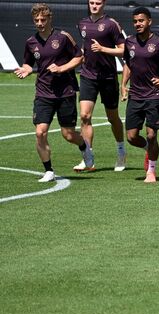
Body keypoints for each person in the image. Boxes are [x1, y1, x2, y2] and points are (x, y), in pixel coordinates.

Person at [15, 3, 93, 183]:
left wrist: (62, 68)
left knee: (68, 134)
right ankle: (48, 170)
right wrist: (26, 69)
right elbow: (28, 63)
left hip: (65, 92)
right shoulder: (31, 42)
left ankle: (84, 146)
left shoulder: (63, 37)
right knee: (40, 132)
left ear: (50, 18)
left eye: (43, 19)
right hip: (43, 93)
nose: (40, 23)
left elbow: (79, 57)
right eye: (36, 20)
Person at [120, 7, 159, 183]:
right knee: (131, 137)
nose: (138, 24)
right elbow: (128, 65)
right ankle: (147, 149)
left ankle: (151, 171)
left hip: (153, 95)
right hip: (135, 95)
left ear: (149, 21)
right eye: (135, 21)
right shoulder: (129, 42)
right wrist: (123, 85)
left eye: (141, 21)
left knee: (152, 134)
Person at [75, 0, 126, 172]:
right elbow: (85, 47)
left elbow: (123, 50)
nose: (94, 5)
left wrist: (103, 49)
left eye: (97, 2)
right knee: (84, 116)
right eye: (91, 2)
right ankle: (87, 157)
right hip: (88, 75)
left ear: (104, 4)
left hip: (108, 77)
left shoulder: (111, 24)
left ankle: (121, 152)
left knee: (113, 118)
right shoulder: (82, 23)